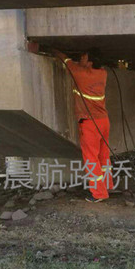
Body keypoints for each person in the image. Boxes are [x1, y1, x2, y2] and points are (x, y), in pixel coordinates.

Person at [51, 47, 111, 203]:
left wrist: (55, 51)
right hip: (103, 121)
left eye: (83, 57)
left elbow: (66, 61)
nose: (80, 59)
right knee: (103, 156)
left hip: (90, 123)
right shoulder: (103, 73)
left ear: (90, 62)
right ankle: (107, 185)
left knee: (91, 158)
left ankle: (99, 193)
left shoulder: (81, 74)